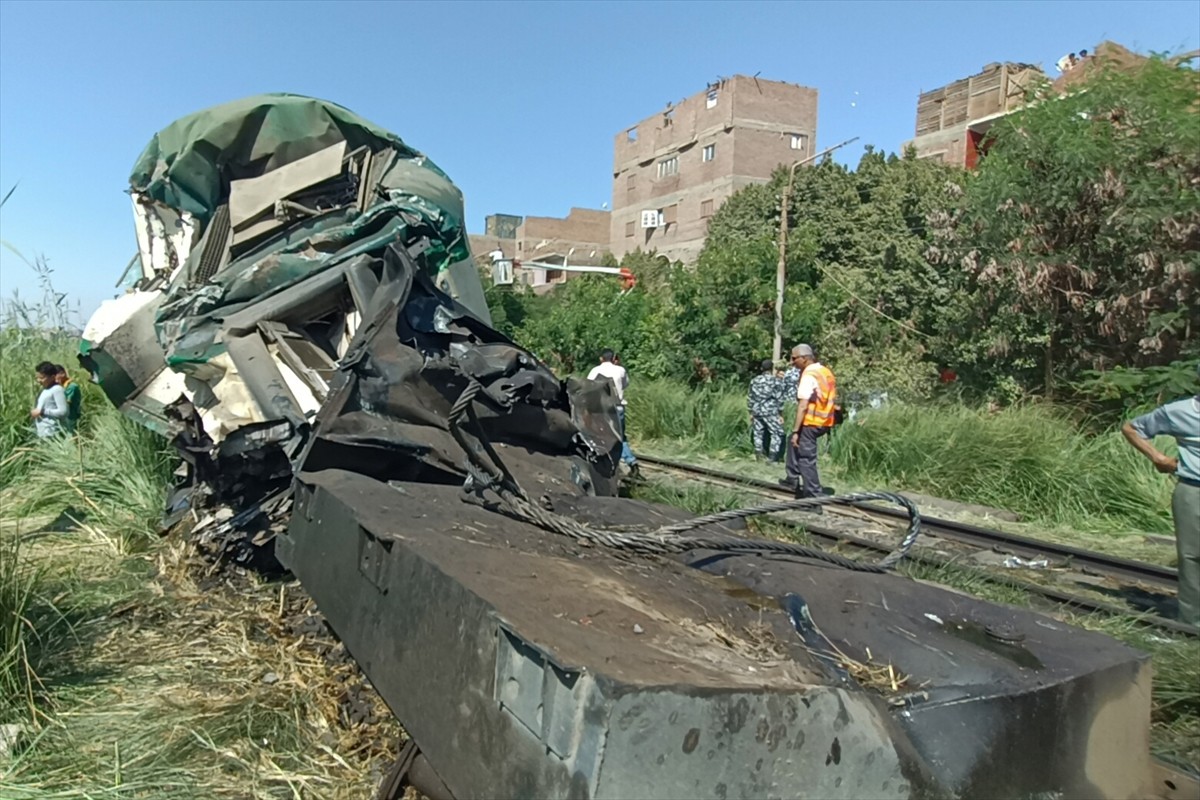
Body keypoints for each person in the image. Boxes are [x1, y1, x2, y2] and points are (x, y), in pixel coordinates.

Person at [1121, 365, 1200, 629]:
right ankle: (1192, 623)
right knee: (1192, 557)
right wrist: (1159, 458)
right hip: (1193, 490)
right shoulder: (1181, 412)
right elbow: (1132, 428)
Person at [781, 344, 838, 498]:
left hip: (812, 421)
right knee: (791, 443)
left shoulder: (809, 375)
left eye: (794, 358)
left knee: (806, 459)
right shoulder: (825, 372)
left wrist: (795, 430)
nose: (792, 362)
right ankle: (792, 478)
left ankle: (812, 498)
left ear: (805, 358)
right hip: (825, 420)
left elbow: (803, 405)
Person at [587, 349, 640, 479]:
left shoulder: (595, 371)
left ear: (601, 359)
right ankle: (631, 462)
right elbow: (625, 384)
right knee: (620, 438)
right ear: (614, 358)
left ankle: (608, 466)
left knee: (599, 436)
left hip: (601, 409)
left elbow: (588, 387)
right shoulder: (620, 370)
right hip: (618, 408)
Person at [747, 358, 786, 462]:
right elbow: (779, 399)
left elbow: (750, 397)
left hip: (757, 410)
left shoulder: (754, 381)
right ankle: (772, 457)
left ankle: (758, 455)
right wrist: (780, 414)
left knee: (758, 432)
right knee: (776, 432)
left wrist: (750, 412)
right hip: (770, 411)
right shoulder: (776, 381)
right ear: (772, 368)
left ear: (761, 368)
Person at [31, 361, 69, 439]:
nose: (39, 380)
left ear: (52, 377)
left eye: (42, 378)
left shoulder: (57, 390)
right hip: (43, 433)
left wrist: (42, 411)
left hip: (53, 433)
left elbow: (64, 412)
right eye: (37, 378)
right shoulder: (45, 390)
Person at [55, 364, 83, 435]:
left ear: (62, 374)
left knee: (71, 436)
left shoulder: (71, 386)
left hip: (71, 417)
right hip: (66, 418)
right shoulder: (63, 386)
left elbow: (66, 402)